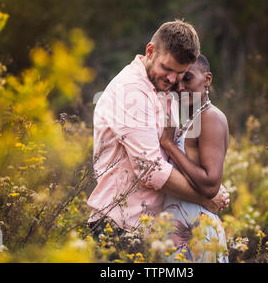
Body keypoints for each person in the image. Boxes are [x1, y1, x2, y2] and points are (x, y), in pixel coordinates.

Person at [87, 20, 229, 246]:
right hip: (118, 228)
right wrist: (206, 198)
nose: (173, 80)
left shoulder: (162, 90)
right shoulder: (131, 91)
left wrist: (207, 183)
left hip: (148, 230)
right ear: (150, 51)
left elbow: (168, 155)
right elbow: (150, 169)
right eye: (167, 69)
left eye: (181, 74)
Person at [160, 54, 230, 263]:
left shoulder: (211, 118)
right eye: (177, 81)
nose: (180, 87)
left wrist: (170, 146)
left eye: (187, 78)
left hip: (198, 233)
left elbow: (210, 185)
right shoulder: (192, 120)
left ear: (207, 79)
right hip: (181, 231)